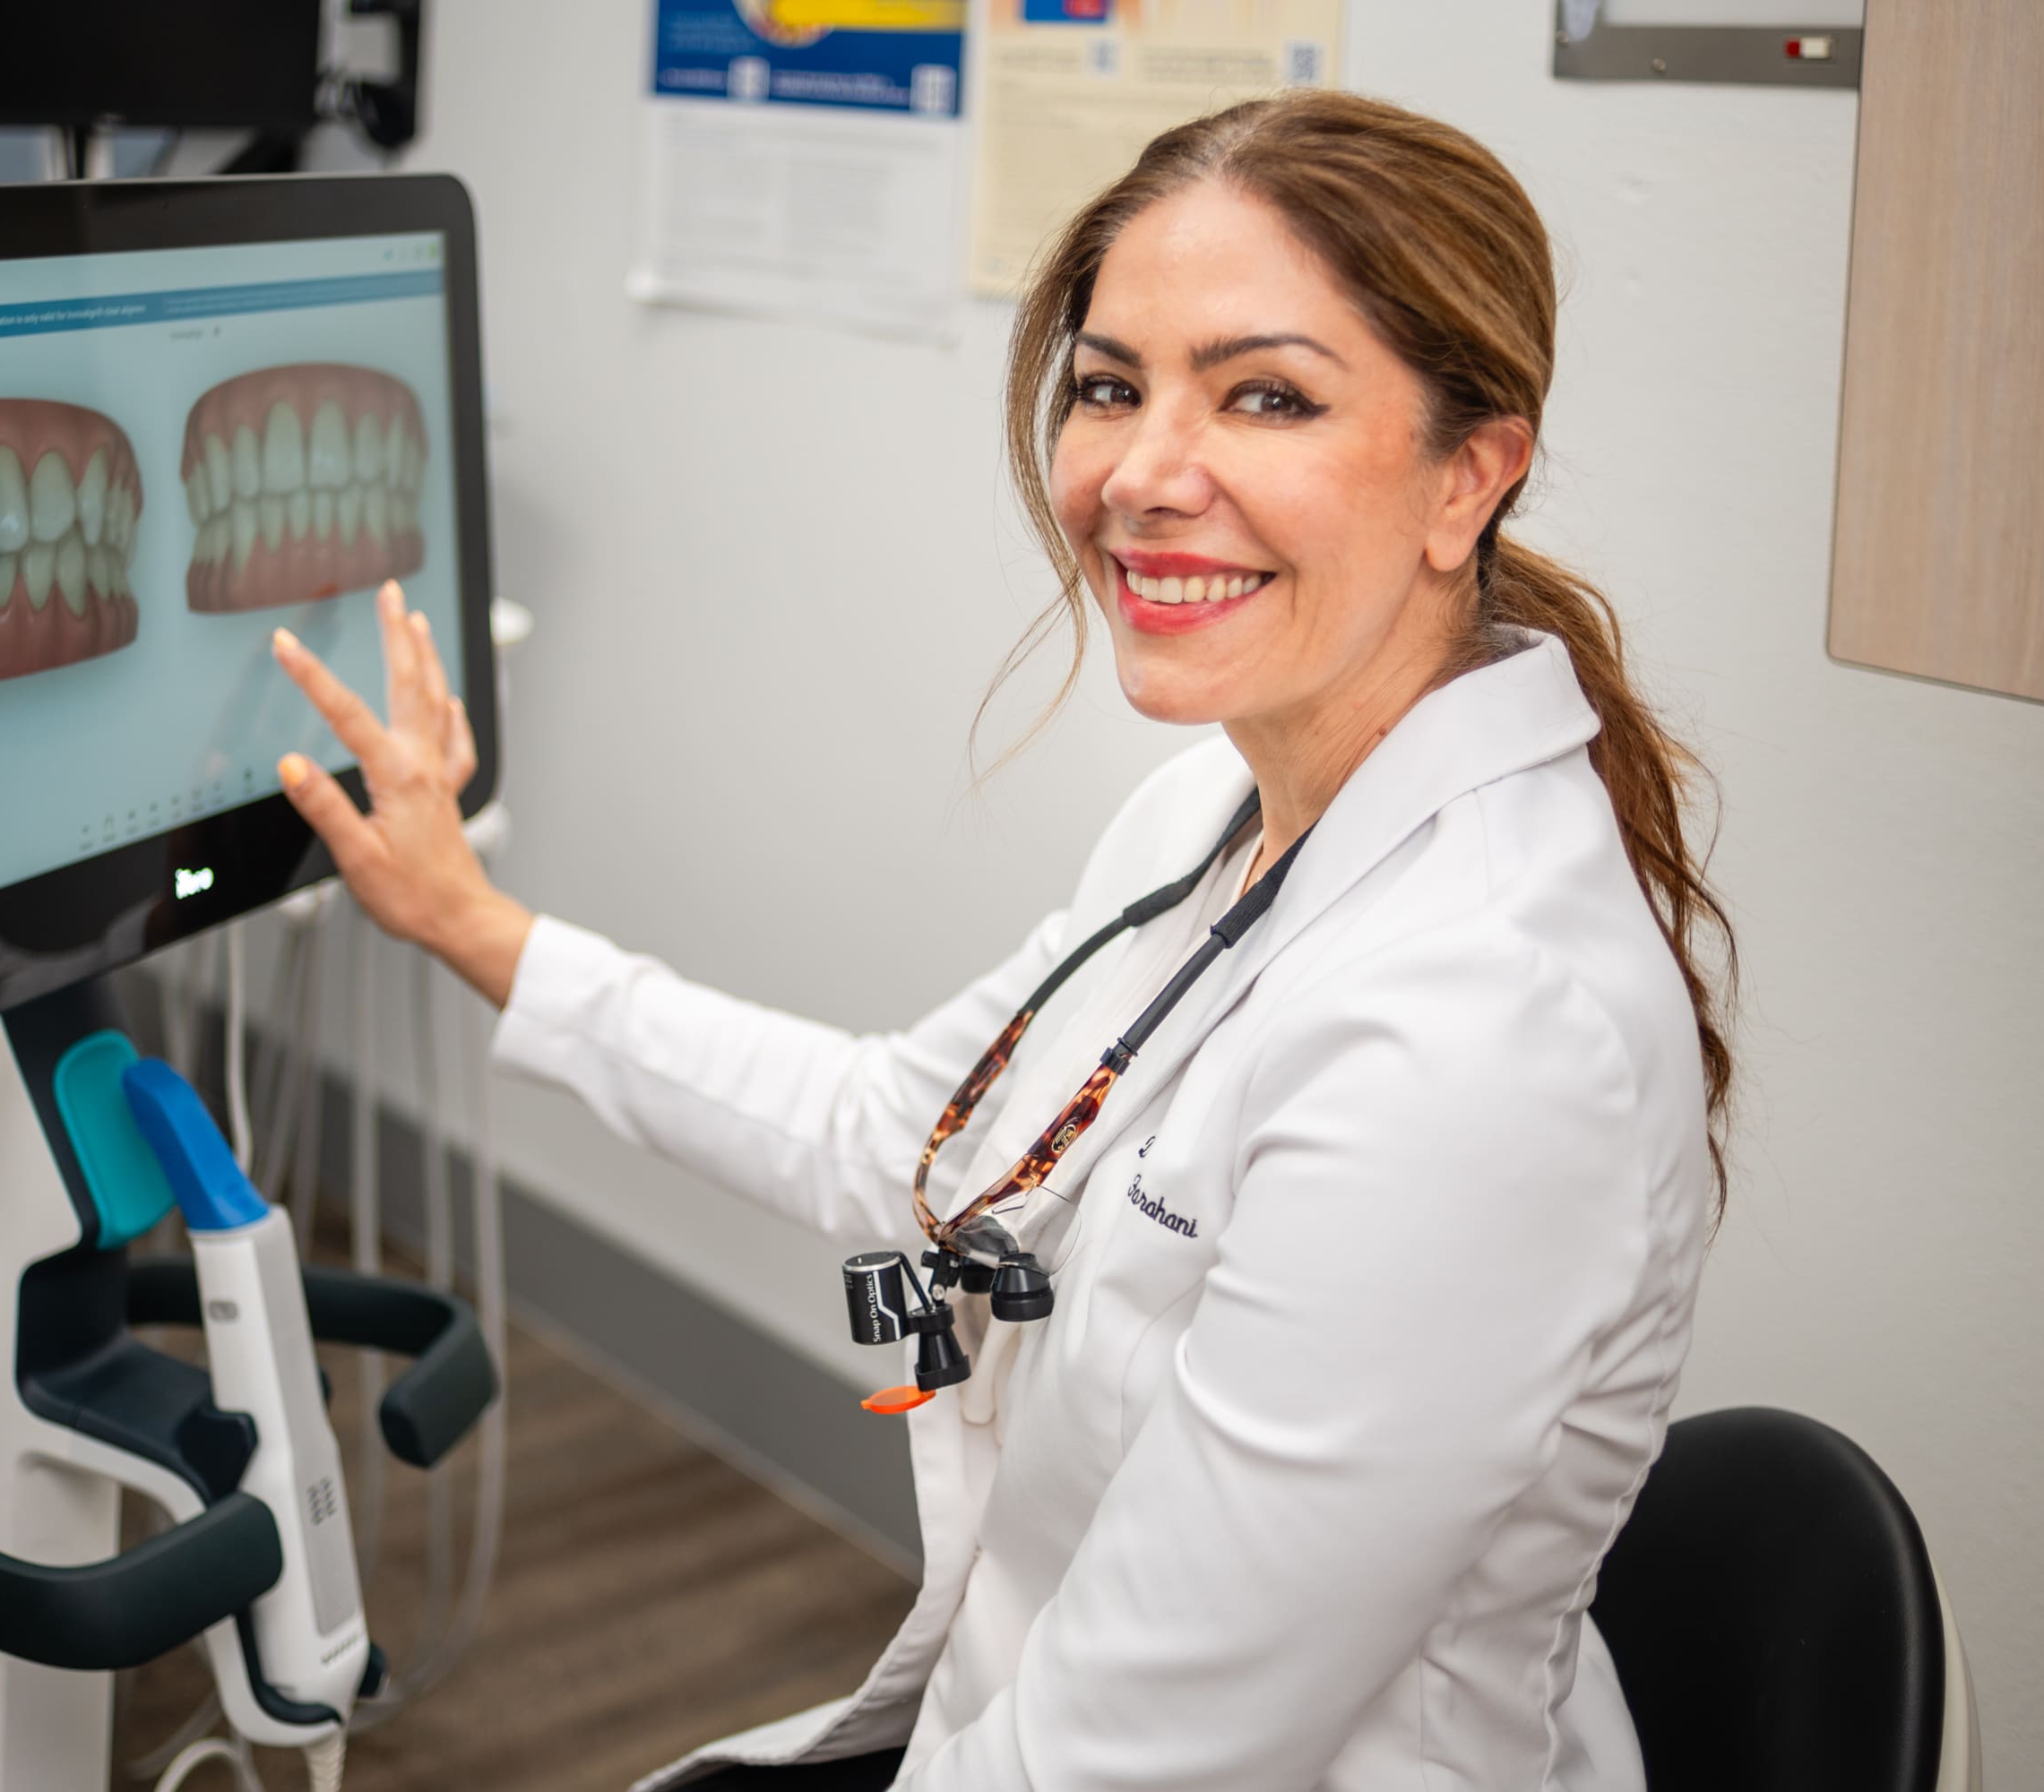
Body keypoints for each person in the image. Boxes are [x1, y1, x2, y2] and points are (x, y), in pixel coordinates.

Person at [268, 88, 1734, 1792]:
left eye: (1265, 395)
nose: (1139, 475)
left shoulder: (1480, 1041)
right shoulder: (1210, 813)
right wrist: (469, 920)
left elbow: (1140, 1749)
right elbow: (886, 1130)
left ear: (1464, 476)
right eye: (1110, 386)